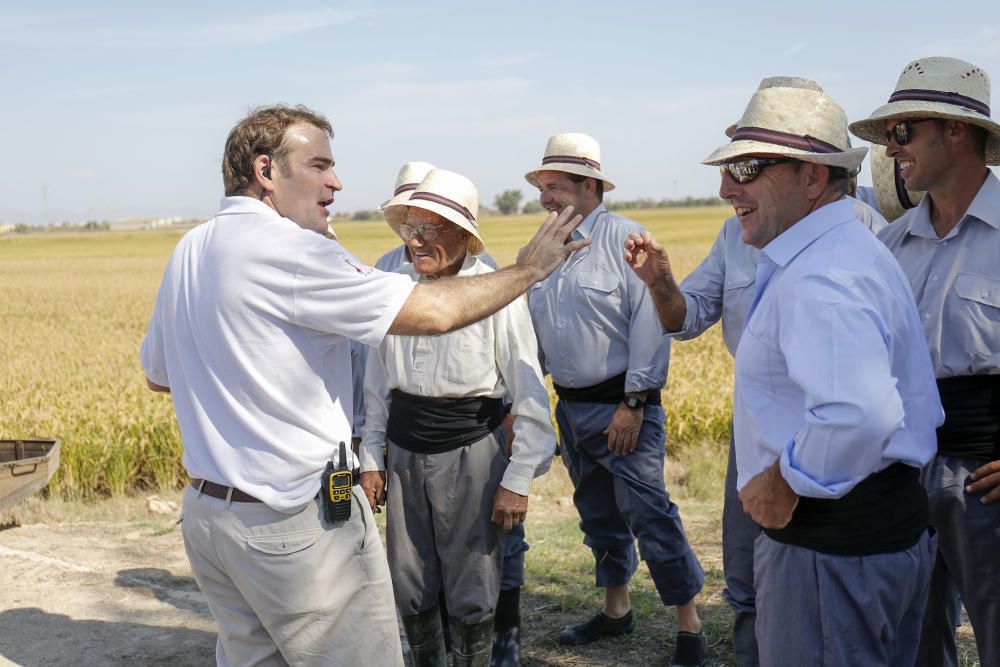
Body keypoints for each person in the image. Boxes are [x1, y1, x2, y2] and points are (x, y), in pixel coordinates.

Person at [139, 104, 588, 666]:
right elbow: (430, 316)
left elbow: (160, 376)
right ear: (266, 171)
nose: (336, 181)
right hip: (293, 523)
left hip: (212, 520)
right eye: (319, 165)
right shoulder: (294, 251)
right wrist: (526, 271)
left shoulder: (190, 248)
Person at [625, 76, 942, 666]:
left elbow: (860, 412)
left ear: (814, 176)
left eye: (747, 169)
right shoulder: (848, 247)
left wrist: (784, 482)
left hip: (828, 549)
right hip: (875, 535)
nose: (724, 188)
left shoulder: (819, 275)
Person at [523, 132, 707, 666]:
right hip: (571, 407)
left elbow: (651, 328)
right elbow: (532, 333)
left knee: (651, 515)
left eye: (555, 187)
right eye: (542, 188)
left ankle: (690, 626)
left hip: (623, 408)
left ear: (589, 186)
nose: (546, 199)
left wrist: (635, 403)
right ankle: (615, 611)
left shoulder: (628, 240)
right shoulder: (543, 248)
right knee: (597, 514)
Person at [360, 168, 556, 667]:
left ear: (467, 238)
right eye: (411, 228)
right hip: (404, 454)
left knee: (473, 584)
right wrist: (371, 456)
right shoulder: (394, 288)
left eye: (434, 228)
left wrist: (518, 480)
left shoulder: (494, 293)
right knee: (409, 582)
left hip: (472, 454)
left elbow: (530, 392)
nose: (418, 240)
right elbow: (377, 384)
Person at [850, 55, 1000, 667]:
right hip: (905, 472)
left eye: (903, 131)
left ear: (956, 131)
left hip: (986, 480)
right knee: (912, 638)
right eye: (889, 135)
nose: (891, 150)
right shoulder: (890, 246)